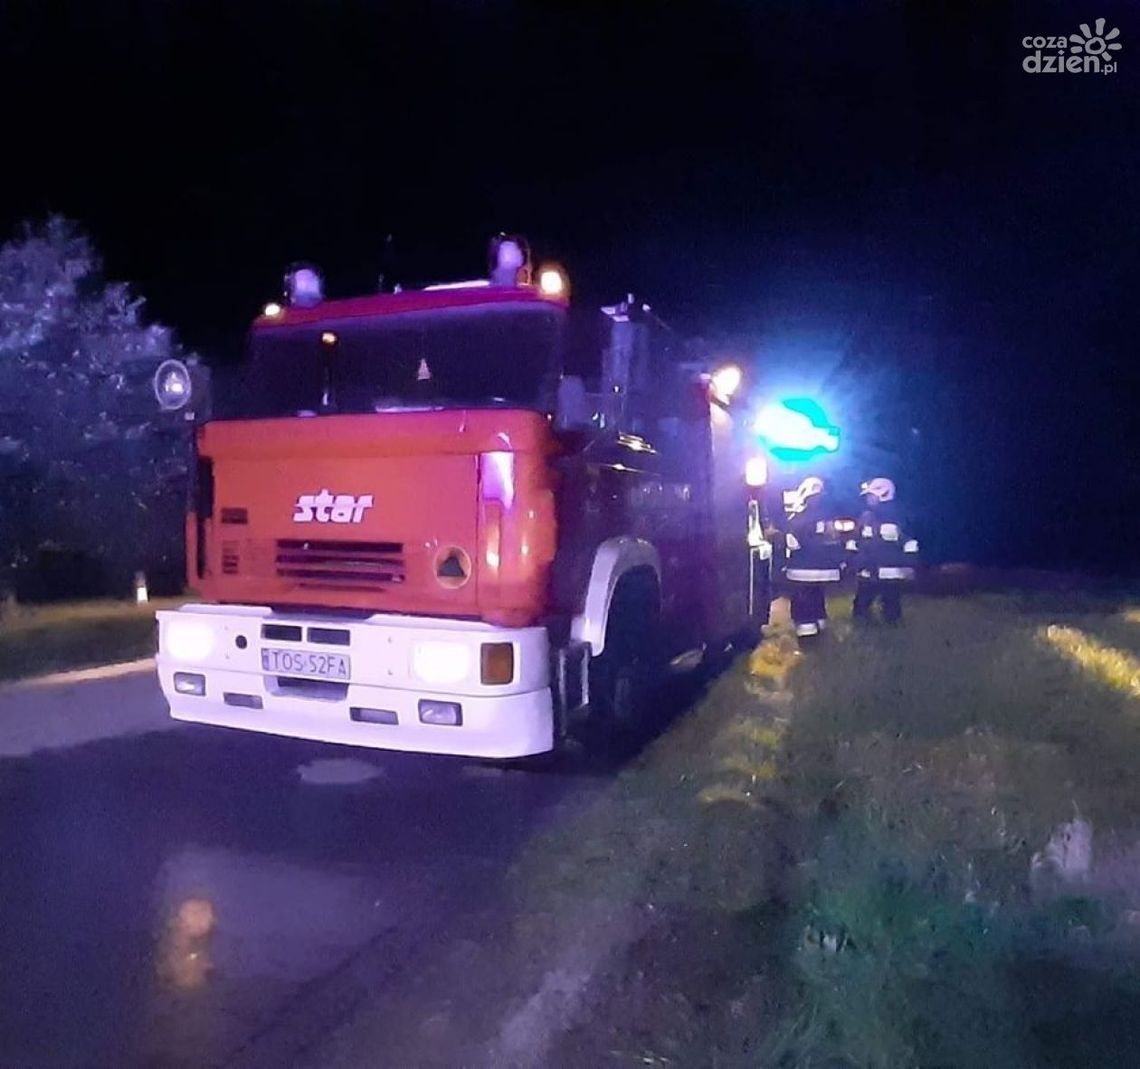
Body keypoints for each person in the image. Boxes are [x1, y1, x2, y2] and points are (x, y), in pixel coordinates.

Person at [784, 475, 845, 639]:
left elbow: (792, 543)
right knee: (817, 591)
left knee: (803, 594)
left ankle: (806, 624)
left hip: (802, 567)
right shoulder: (830, 517)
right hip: (826, 566)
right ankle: (819, 618)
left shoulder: (798, 519)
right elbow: (836, 540)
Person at [852, 477, 919, 624]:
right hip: (873, 568)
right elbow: (859, 540)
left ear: (884, 493)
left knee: (885, 602)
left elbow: (910, 543)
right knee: (870, 603)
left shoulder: (896, 516)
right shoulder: (868, 516)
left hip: (885, 568)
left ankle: (889, 629)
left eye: (870, 495)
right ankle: (873, 627)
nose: (868, 499)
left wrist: (909, 564)